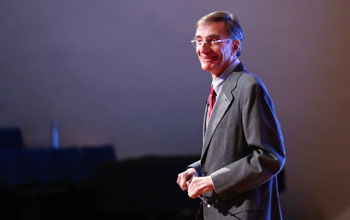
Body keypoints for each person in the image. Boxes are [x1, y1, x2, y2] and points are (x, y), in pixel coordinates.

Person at [176, 11, 286, 220]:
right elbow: (232, 152)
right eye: (199, 41)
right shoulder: (219, 90)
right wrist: (197, 171)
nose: (203, 49)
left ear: (234, 47)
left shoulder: (249, 87)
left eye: (213, 41)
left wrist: (213, 181)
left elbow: (270, 157)